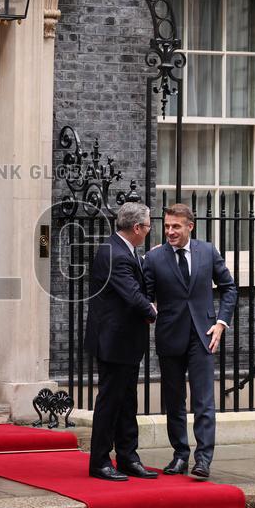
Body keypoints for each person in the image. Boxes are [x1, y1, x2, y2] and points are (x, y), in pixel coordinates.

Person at [144, 203, 238, 478]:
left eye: (176, 226)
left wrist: (221, 323)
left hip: (203, 335)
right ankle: (180, 456)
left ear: (190, 227)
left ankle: (203, 460)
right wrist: (150, 311)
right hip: (170, 335)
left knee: (204, 401)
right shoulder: (154, 258)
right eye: (167, 226)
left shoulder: (208, 251)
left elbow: (229, 288)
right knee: (173, 401)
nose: (170, 231)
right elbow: (146, 296)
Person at [84, 202, 158, 481]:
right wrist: (151, 311)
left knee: (127, 400)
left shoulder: (125, 250)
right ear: (137, 228)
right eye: (148, 226)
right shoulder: (115, 252)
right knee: (110, 401)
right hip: (114, 341)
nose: (149, 231)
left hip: (124, 341)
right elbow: (131, 293)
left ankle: (128, 457)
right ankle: (100, 461)